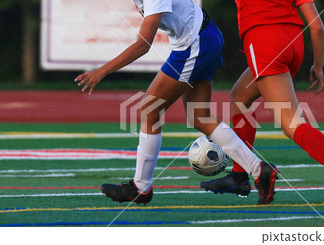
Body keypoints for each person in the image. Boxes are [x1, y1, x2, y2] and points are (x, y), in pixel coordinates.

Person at [74, 0, 279, 205]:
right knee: (200, 117)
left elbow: (143, 44)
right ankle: (259, 169)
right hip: (203, 37)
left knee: (149, 109)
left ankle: (141, 187)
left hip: (196, 43)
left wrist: (102, 71)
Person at [200, 0, 324, 209]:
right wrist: (319, 65)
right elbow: (317, 26)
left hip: (264, 38)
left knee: (291, 123)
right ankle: (239, 177)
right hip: (293, 41)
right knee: (240, 96)